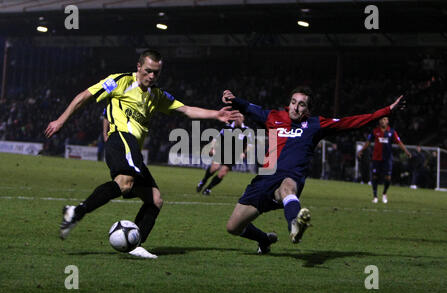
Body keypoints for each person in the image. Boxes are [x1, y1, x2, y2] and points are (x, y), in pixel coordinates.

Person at [45, 49, 239, 259]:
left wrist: (216, 114)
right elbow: (84, 96)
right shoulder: (119, 81)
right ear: (138, 67)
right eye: (148, 71)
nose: (152, 76)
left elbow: (187, 110)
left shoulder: (157, 95)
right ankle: (76, 212)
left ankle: (135, 244)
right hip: (120, 139)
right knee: (126, 184)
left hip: (132, 149)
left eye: (156, 73)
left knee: (155, 199)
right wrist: (61, 120)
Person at [221, 87, 406, 254]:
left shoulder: (316, 125)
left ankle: (295, 225)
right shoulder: (274, 117)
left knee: (287, 188)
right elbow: (249, 107)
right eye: (293, 102)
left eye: (301, 105)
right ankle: (264, 240)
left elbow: (353, 122)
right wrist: (233, 99)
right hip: (264, 180)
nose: (295, 107)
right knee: (233, 227)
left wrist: (388, 110)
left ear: (307, 110)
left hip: (291, 177)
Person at [357, 116, 411, 203]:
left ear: (388, 121)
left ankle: (384, 193)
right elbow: (368, 142)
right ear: (379, 121)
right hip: (376, 158)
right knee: (375, 176)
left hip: (387, 159)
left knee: (388, 177)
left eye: (385, 119)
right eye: (381, 119)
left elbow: (399, 142)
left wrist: (406, 151)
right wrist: (361, 150)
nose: (383, 121)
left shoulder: (392, 132)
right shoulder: (375, 131)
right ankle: (375, 196)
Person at [196, 113, 253, 195]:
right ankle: (203, 181)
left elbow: (249, 144)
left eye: (240, 117)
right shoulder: (227, 127)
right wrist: (212, 148)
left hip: (234, 155)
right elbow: (216, 138)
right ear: (234, 118)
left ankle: (208, 188)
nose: (238, 118)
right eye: (237, 117)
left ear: (243, 119)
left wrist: (244, 153)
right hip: (222, 151)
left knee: (222, 173)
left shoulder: (247, 130)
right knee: (214, 168)